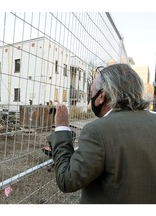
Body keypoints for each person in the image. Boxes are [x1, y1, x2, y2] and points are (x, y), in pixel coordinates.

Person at [46, 63, 156, 204]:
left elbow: (67, 180)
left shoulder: (97, 131)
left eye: (91, 93)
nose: (90, 98)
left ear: (101, 96)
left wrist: (62, 129)